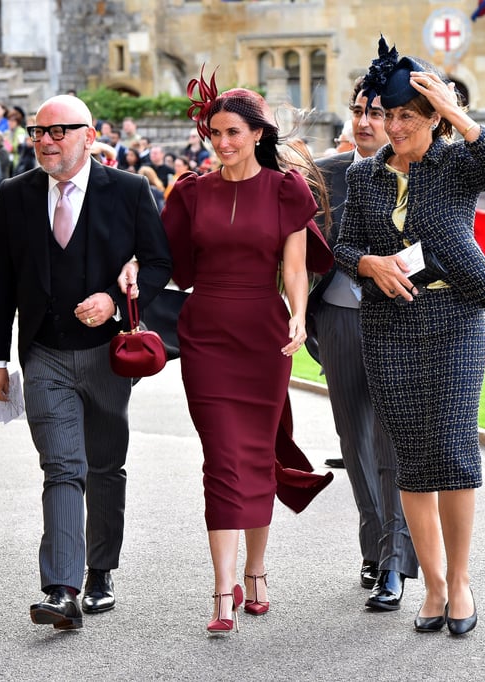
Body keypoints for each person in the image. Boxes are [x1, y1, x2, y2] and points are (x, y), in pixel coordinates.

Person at [332, 37, 485, 636]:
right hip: (390, 325)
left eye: (408, 115)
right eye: (388, 115)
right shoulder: (364, 178)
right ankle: (432, 586)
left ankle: (460, 582)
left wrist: (457, 114)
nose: (395, 126)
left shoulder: (456, 161)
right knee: (412, 458)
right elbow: (343, 246)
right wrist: (370, 266)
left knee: (456, 451)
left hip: (457, 318)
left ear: (431, 117)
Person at [0, 94, 172, 630]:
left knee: (105, 466)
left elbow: (159, 262)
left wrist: (114, 301)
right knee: (62, 467)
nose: (45, 140)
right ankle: (61, 589)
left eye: (59, 131)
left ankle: (100, 569)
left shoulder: (130, 191)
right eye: (38, 132)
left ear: (90, 136)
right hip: (43, 354)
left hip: (108, 357)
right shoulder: (13, 194)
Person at [161, 75, 334, 635]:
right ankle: (220, 591)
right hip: (206, 332)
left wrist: (299, 316)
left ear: (258, 133)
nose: (222, 143)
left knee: (257, 454)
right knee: (222, 457)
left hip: (263, 333)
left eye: (233, 132)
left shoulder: (287, 191)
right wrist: (133, 268)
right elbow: (166, 260)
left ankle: (255, 573)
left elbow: (293, 267)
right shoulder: (190, 192)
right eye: (214, 133)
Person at [305, 76, 418, 608]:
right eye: (358, 110)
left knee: (392, 442)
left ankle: (397, 557)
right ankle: (375, 544)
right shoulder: (323, 176)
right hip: (339, 318)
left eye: (377, 111)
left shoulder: (421, 174)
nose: (365, 120)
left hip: (401, 320)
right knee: (354, 441)